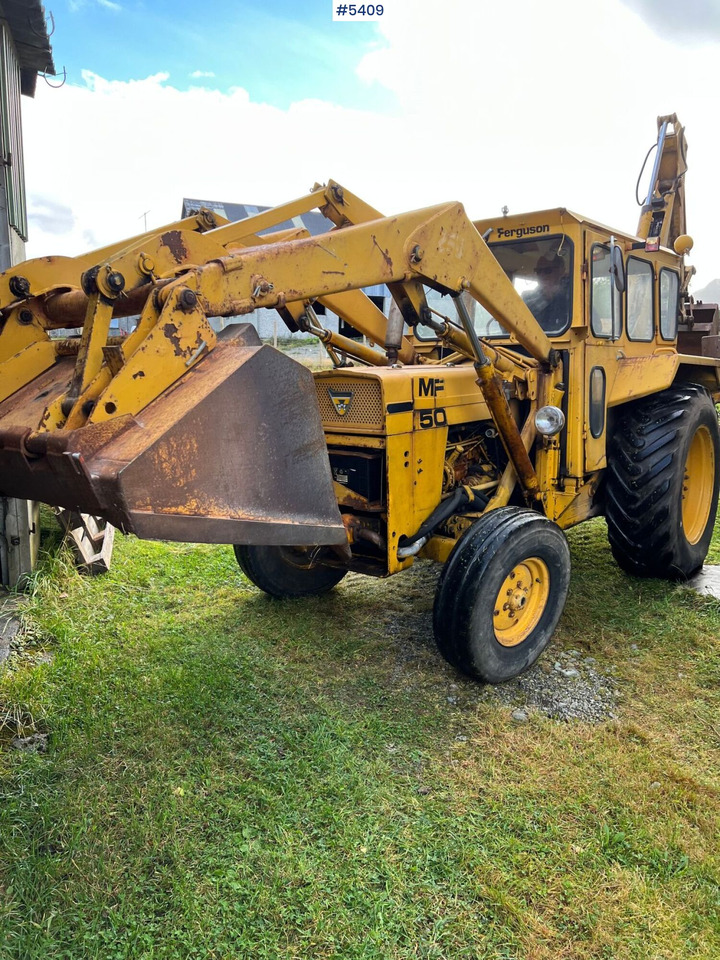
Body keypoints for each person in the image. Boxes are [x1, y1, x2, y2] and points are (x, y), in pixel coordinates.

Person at [523, 253, 570, 331]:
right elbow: (510, 323)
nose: (542, 275)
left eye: (547, 271)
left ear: (561, 271)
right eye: (538, 271)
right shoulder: (527, 297)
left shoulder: (574, 295)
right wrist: (545, 298)